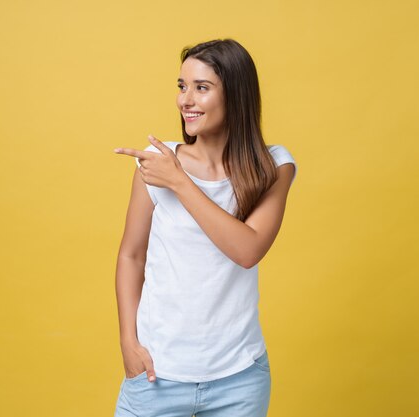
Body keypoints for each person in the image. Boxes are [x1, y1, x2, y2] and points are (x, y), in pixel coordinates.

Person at [112, 38, 297, 417]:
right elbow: (131, 255)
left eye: (201, 88)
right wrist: (128, 342)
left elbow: (248, 250)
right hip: (155, 376)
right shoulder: (156, 164)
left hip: (240, 380)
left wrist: (180, 182)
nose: (186, 100)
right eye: (182, 87)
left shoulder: (273, 167)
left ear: (236, 96)